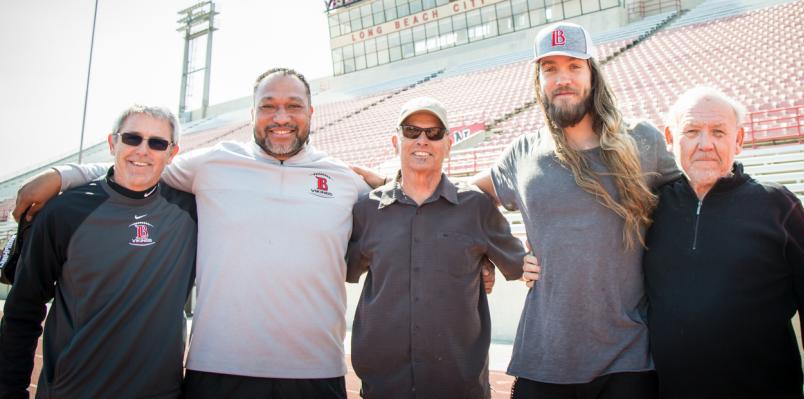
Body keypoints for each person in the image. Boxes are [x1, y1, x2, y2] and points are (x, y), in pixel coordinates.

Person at [12, 68, 371, 398]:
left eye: (293, 106)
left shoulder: (343, 180)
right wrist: (63, 175)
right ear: (252, 114)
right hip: (216, 369)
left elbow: (401, 198)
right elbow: (139, 164)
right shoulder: (212, 163)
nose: (280, 117)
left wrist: (388, 179)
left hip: (316, 371)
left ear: (310, 112)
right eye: (268, 106)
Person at [471, 22, 681, 397]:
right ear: (539, 80)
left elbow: (691, 202)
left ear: (592, 73)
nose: (562, 78)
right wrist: (499, 253)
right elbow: (468, 198)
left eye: (573, 66)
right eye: (549, 69)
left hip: (629, 357)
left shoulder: (641, 140)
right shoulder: (522, 152)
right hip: (545, 356)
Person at [643, 87, 804, 399]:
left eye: (718, 132)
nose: (705, 144)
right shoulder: (651, 208)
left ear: (739, 140)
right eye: (691, 131)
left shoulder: (776, 205)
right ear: (671, 138)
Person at [0, 106, 197, 398]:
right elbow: (23, 310)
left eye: (157, 143)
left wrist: (62, 174)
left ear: (172, 153)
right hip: (71, 391)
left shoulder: (191, 211)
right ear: (111, 143)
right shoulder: (64, 212)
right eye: (132, 138)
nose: (143, 150)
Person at [345, 97, 526, 398]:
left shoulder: (476, 207)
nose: (422, 140)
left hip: (459, 386)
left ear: (448, 143)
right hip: (384, 387)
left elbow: (524, 266)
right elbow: (340, 265)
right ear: (396, 141)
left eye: (434, 133)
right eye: (412, 131)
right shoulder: (366, 210)